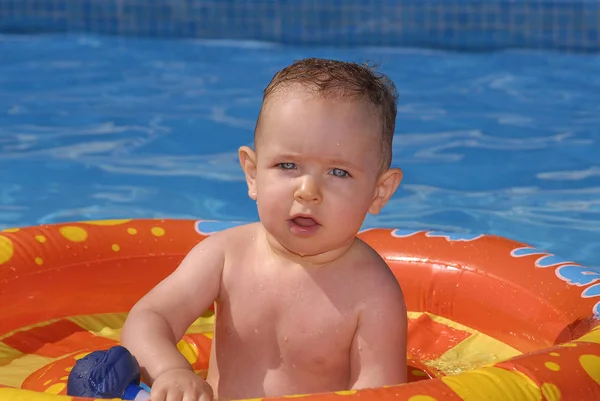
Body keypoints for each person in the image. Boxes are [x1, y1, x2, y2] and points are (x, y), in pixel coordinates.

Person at [120, 57, 408, 401]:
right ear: (253, 174)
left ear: (379, 192)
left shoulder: (373, 294)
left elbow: (379, 394)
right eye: (288, 165)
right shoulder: (225, 256)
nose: (308, 191)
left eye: (339, 172)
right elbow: (149, 317)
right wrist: (171, 371)